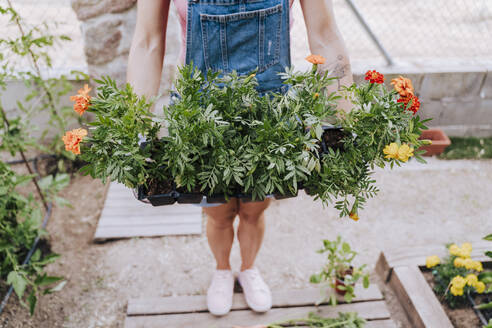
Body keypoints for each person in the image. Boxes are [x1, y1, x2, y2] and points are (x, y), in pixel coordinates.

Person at [126, 0, 353, 316]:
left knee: (253, 210)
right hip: (199, 116)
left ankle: (248, 269)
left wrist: (347, 126)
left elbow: (325, 34)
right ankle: (222, 271)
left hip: (269, 117)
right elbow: (148, 42)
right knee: (217, 213)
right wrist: (129, 128)